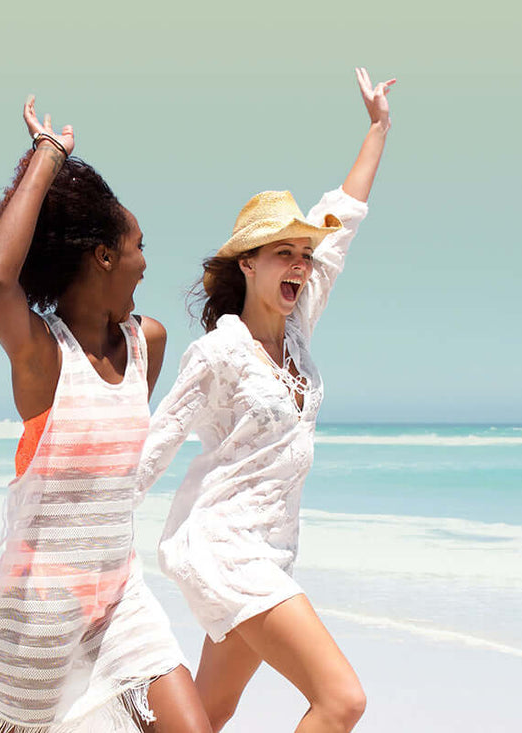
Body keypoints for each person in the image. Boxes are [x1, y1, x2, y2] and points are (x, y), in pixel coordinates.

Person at [136, 68, 395, 733]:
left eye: (305, 254)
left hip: (273, 548)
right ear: (248, 263)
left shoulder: (298, 326)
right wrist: (80, 541)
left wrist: (377, 129)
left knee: (207, 713)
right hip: (227, 547)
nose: (301, 265)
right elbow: (153, 449)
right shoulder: (219, 352)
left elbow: (343, 218)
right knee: (342, 699)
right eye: (285, 253)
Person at [0, 96, 211, 733]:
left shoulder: (146, 343)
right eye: (138, 247)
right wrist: (48, 155)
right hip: (39, 607)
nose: (146, 262)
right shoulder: (44, 359)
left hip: (119, 593)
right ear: (103, 255)